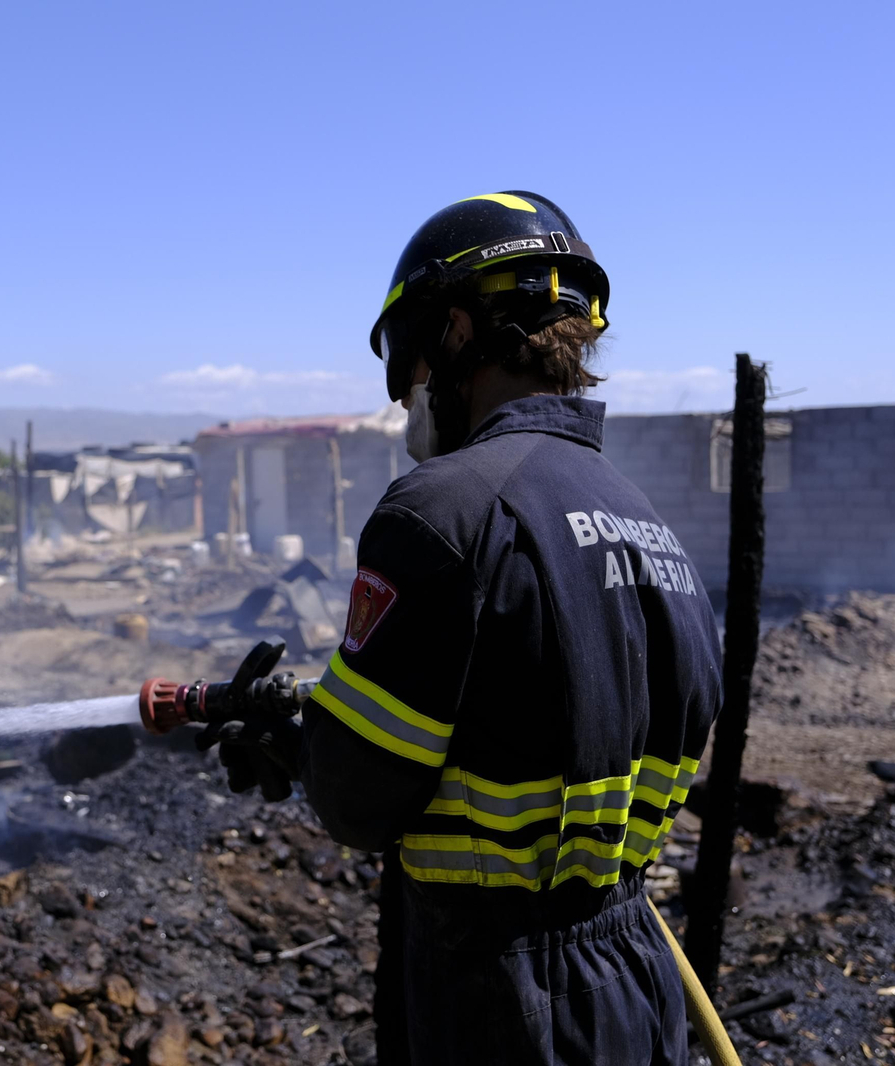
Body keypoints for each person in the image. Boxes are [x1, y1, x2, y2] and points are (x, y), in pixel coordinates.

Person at [203, 192, 723, 1065]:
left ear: (450, 334)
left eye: (408, 368)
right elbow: (514, 730)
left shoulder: (445, 509)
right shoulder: (649, 526)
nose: (410, 399)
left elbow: (360, 798)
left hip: (501, 1006)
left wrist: (309, 752)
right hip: (632, 984)